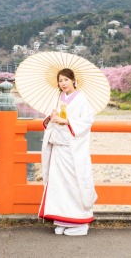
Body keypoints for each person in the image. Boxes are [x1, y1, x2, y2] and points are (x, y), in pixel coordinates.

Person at [38, 68, 97, 236]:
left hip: (72, 151)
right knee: (59, 186)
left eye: (66, 80)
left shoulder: (81, 98)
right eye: (60, 80)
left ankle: (79, 223)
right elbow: (52, 122)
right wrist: (51, 117)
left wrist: (66, 121)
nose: (63, 83)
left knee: (73, 184)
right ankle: (63, 220)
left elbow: (87, 122)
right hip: (58, 148)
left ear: (73, 80)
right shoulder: (59, 98)